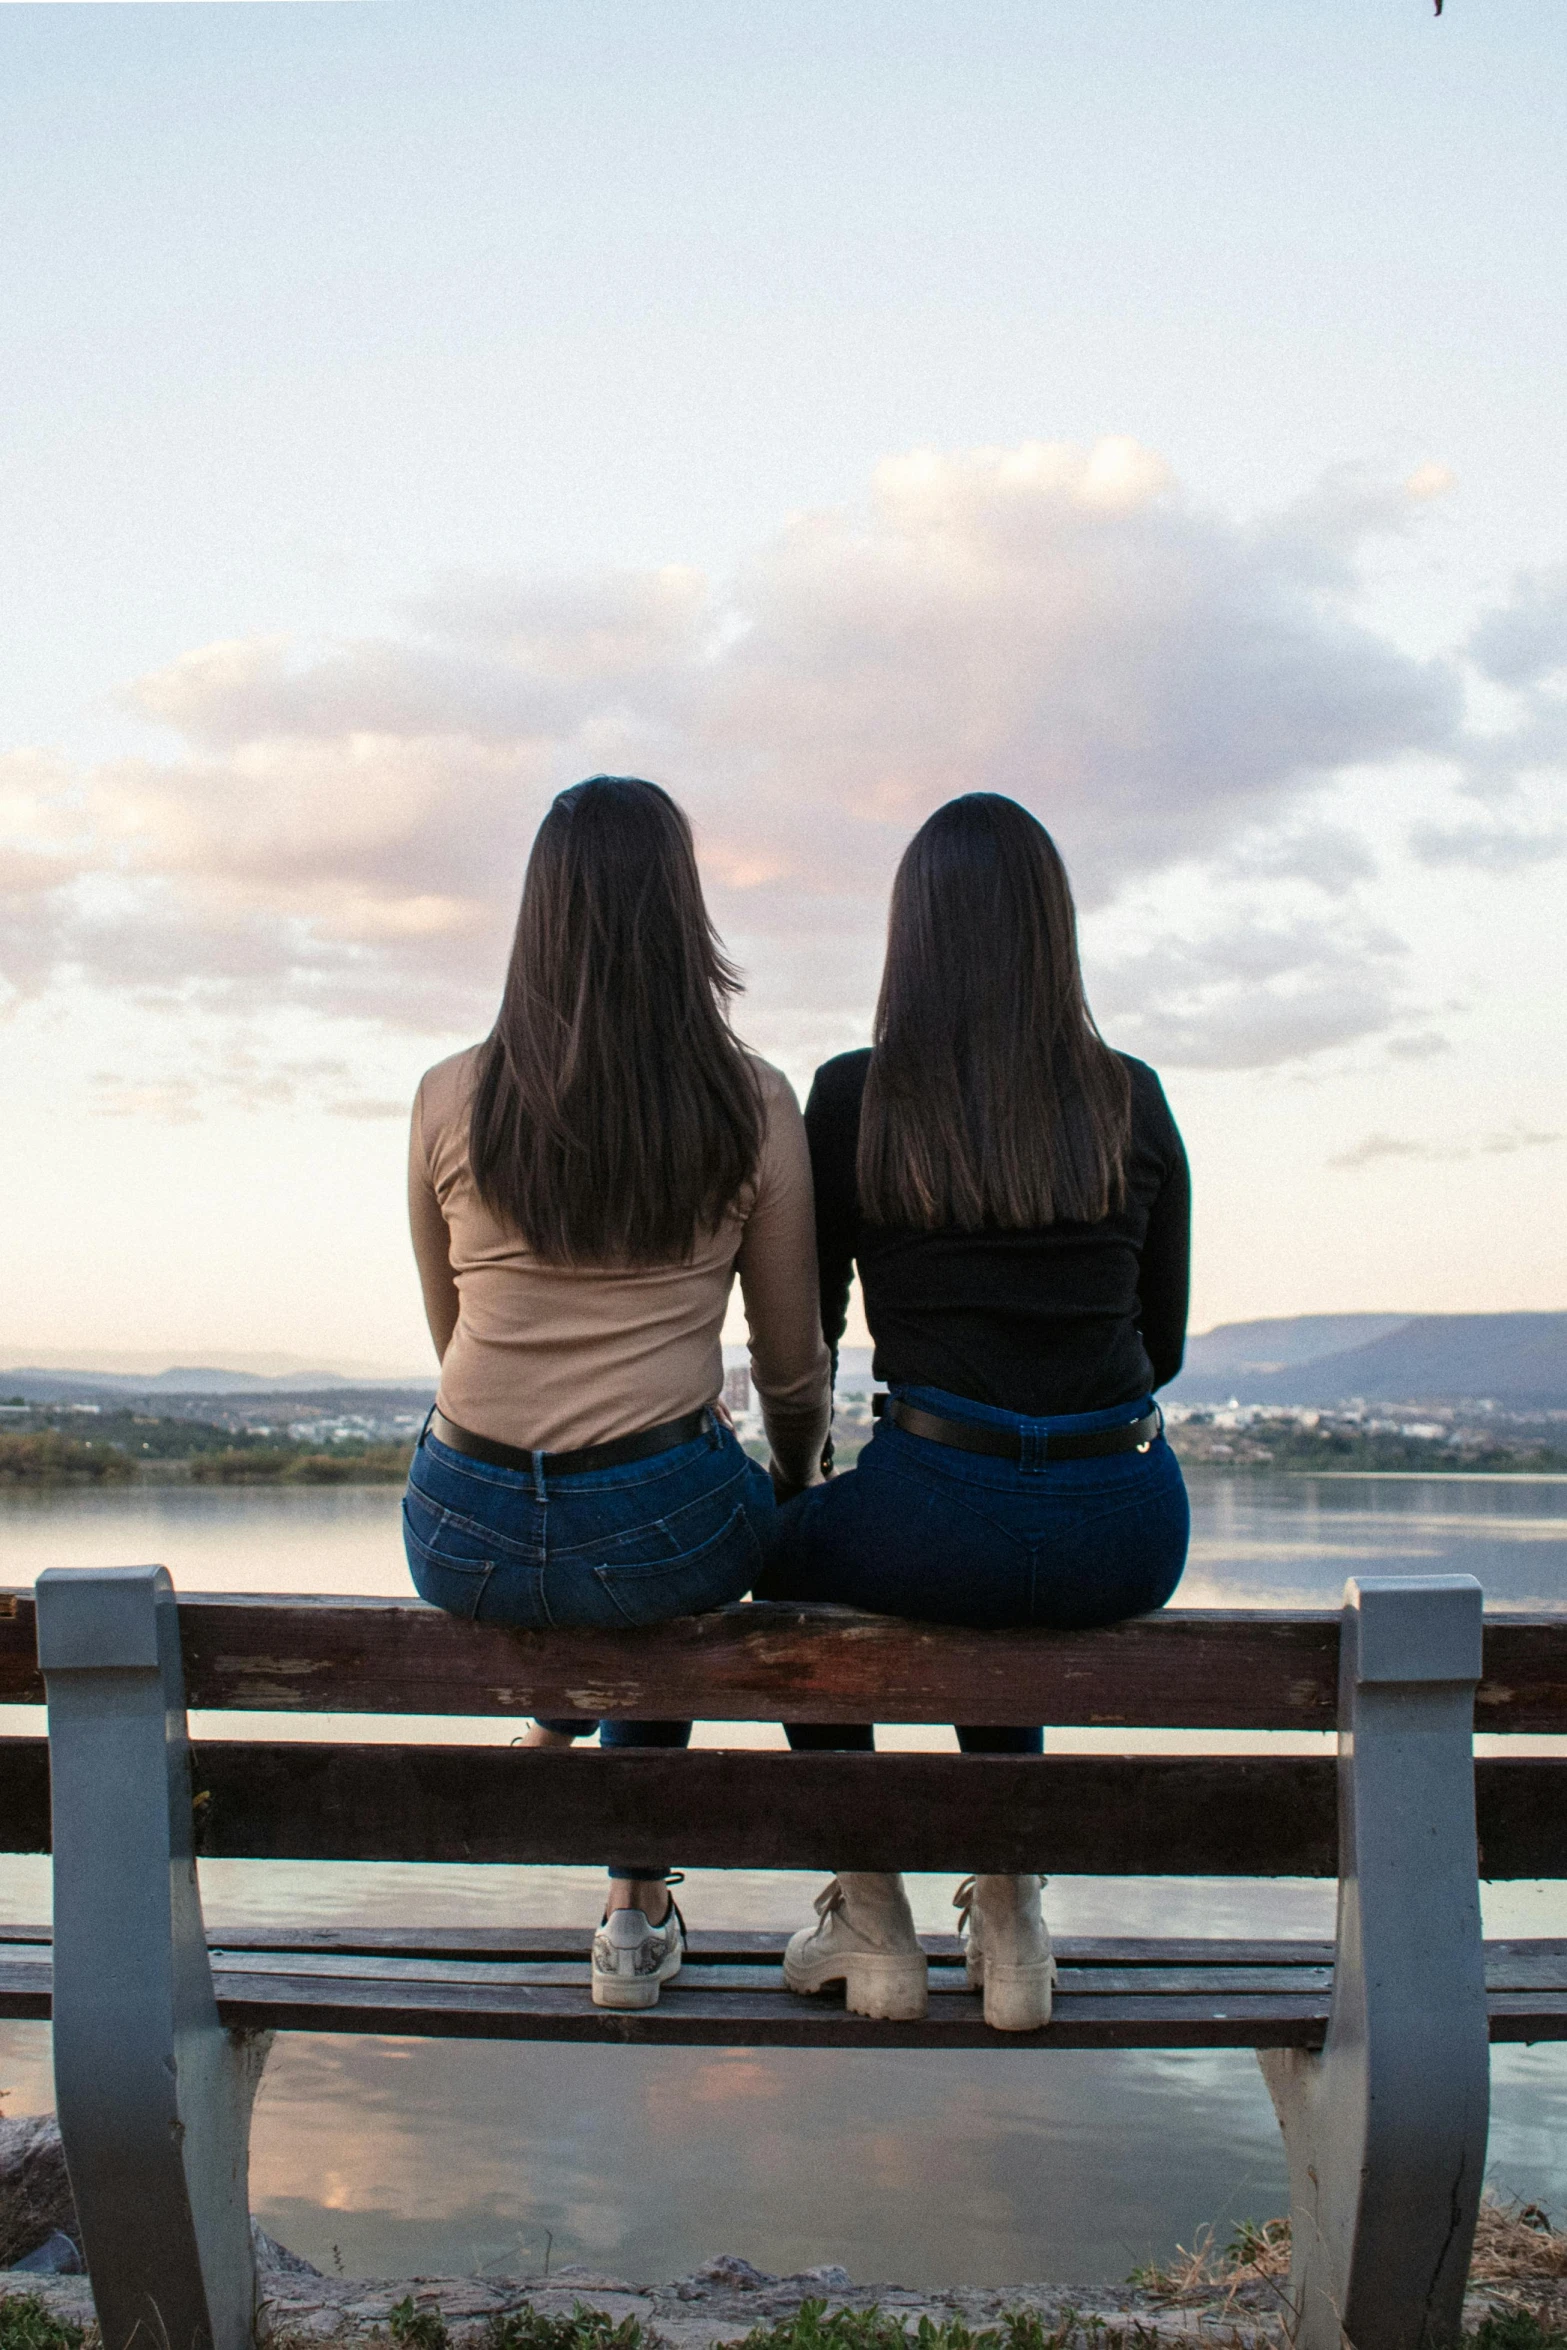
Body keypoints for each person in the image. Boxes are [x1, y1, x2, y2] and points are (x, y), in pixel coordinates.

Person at [760, 793, 1191, 2032]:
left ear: (914, 936)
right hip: (1126, 1524)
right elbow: (1153, 1347)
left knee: (787, 1564)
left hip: (936, 1509)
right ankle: (1011, 1907)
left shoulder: (852, 1099)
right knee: (1018, 1551)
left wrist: (814, 1470)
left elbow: (813, 1331)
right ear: (1053, 929)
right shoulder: (1132, 1096)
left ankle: (872, 1913)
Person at [403, 775, 830, 2012]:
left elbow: (452, 1334)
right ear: (679, 916)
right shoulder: (748, 1101)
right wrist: (795, 1482)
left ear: (537, 921)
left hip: (460, 1525)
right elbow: (790, 1364)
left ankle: (565, 1739)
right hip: (656, 1528)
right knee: (667, 1544)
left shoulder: (447, 1094)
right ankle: (632, 1912)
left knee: (622, 1533)